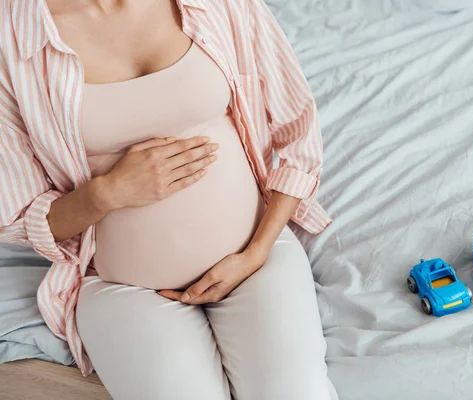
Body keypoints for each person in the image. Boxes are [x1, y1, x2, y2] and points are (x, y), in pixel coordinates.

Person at [0, 0, 337, 398]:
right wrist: (106, 193)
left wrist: (257, 251)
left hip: (254, 254)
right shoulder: (12, 38)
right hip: (124, 288)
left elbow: (297, 130)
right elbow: (17, 217)